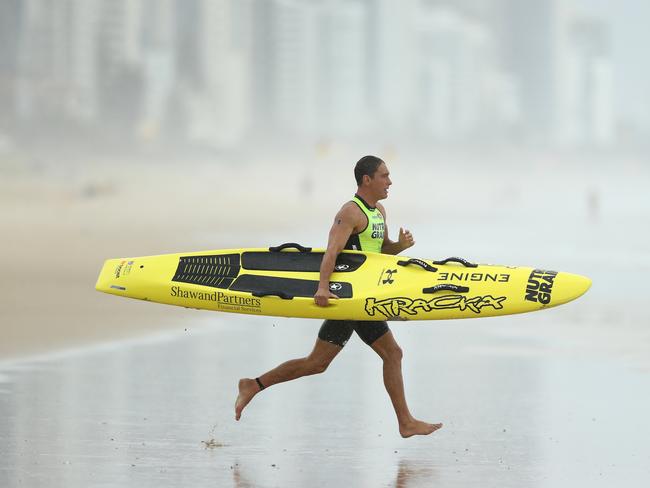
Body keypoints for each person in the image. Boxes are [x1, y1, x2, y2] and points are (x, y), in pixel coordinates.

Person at [235, 155, 442, 438]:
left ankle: (253, 385)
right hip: (348, 299)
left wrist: (400, 246)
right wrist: (322, 287)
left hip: (364, 297)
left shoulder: (378, 212)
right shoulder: (350, 212)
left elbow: (379, 254)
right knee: (391, 353)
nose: (389, 181)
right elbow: (331, 251)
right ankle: (405, 422)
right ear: (366, 180)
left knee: (317, 363)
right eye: (384, 176)